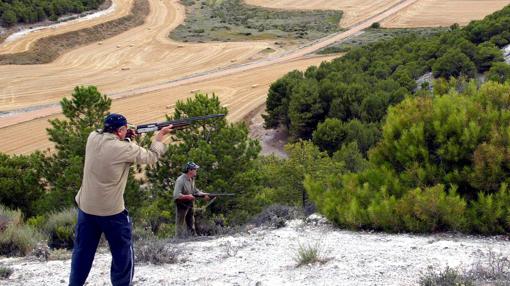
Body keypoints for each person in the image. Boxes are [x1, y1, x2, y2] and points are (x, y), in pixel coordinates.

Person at [69, 113, 172, 286]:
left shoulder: (92, 137)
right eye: (124, 130)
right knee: (122, 254)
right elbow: (152, 156)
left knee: (82, 253)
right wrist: (159, 137)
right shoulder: (124, 149)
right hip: (112, 212)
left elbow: (112, 144)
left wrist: (127, 137)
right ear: (120, 130)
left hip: (86, 208)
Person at [173, 161, 210, 238]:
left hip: (189, 203)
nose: (196, 171)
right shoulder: (180, 180)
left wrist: (204, 195)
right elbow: (176, 195)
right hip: (181, 204)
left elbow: (195, 191)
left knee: (191, 221)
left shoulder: (192, 179)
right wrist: (187, 196)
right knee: (180, 223)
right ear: (190, 170)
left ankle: (193, 237)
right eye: (195, 169)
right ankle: (178, 240)